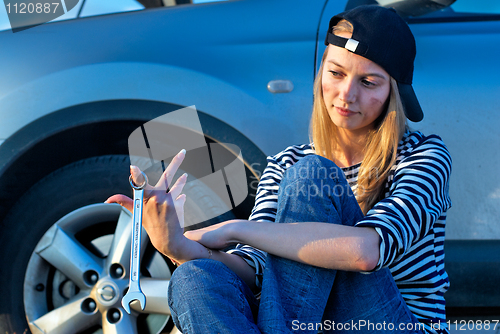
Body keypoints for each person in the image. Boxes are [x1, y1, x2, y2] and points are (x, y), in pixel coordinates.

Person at [107, 5, 451, 334]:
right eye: (336, 73)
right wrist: (176, 245)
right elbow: (255, 271)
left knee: (311, 174)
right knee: (194, 279)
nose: (346, 94)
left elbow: (366, 252)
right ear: (320, 74)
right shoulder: (285, 162)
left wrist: (235, 228)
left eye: (369, 82)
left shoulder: (423, 155)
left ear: (394, 92)